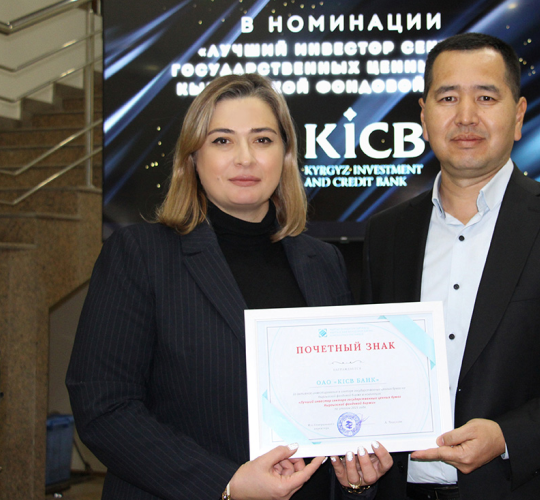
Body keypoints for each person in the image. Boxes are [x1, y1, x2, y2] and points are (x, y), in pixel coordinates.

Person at [361, 33, 540, 499]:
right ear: (424, 116)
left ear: (518, 116)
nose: (465, 116)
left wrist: (508, 437)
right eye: (447, 97)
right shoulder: (387, 233)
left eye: (486, 97)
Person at [67, 74, 391, 500]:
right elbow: (104, 409)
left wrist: (355, 478)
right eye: (222, 141)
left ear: (285, 156)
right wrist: (227, 483)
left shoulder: (324, 262)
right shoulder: (140, 255)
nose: (245, 158)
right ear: (192, 157)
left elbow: (338, 406)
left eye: (262, 140)